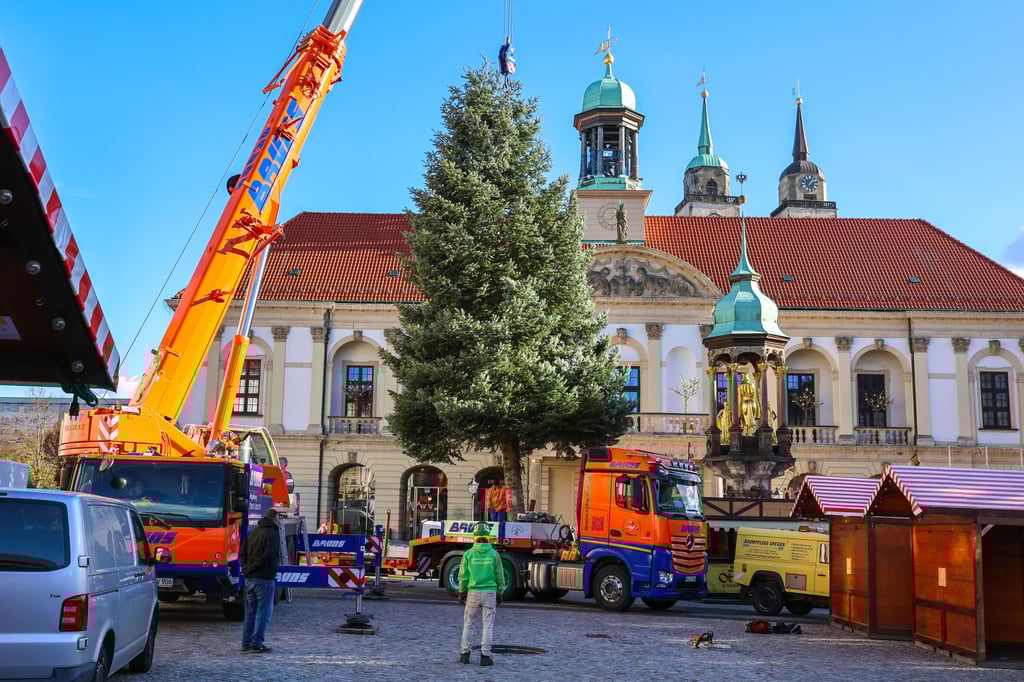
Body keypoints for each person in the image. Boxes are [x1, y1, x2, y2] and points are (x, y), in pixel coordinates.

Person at [458, 522, 506, 667]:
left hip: (473, 592)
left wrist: (462, 591)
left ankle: (464, 655)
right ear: (488, 537)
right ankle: (485, 656)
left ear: (475, 537)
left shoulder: (468, 554)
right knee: (488, 626)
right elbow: (500, 575)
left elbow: (463, 575)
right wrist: (500, 591)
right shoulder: (494, 554)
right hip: (490, 592)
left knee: (468, 624)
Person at [240, 508, 281, 654]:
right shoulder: (273, 534)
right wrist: (254, 566)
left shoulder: (253, 532)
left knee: (250, 612)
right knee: (264, 612)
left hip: (249, 578)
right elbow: (268, 556)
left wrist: (246, 568)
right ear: (275, 518)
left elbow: (242, 552)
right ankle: (257, 644)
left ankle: (246, 643)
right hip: (264, 578)